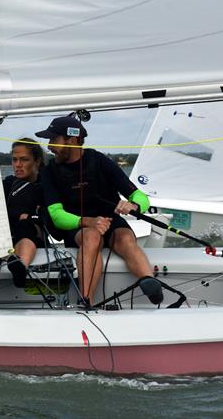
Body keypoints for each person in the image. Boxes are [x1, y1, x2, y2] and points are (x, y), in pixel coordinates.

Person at [36, 115, 163, 306]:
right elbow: (56, 216)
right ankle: (85, 300)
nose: (49, 145)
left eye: (54, 139)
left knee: (126, 239)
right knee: (92, 237)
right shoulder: (49, 171)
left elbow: (140, 197)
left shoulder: (99, 160)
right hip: (78, 226)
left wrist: (133, 205)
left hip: (110, 221)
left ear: (71, 140)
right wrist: (89, 221)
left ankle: (149, 282)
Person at [2, 138, 46, 287]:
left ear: (37, 161)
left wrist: (31, 217)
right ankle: (2, 262)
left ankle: (21, 267)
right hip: (7, 235)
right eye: (14, 160)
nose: (17, 165)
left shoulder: (46, 185)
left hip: (32, 234)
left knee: (25, 225)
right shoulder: (8, 183)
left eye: (24, 160)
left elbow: (51, 216)